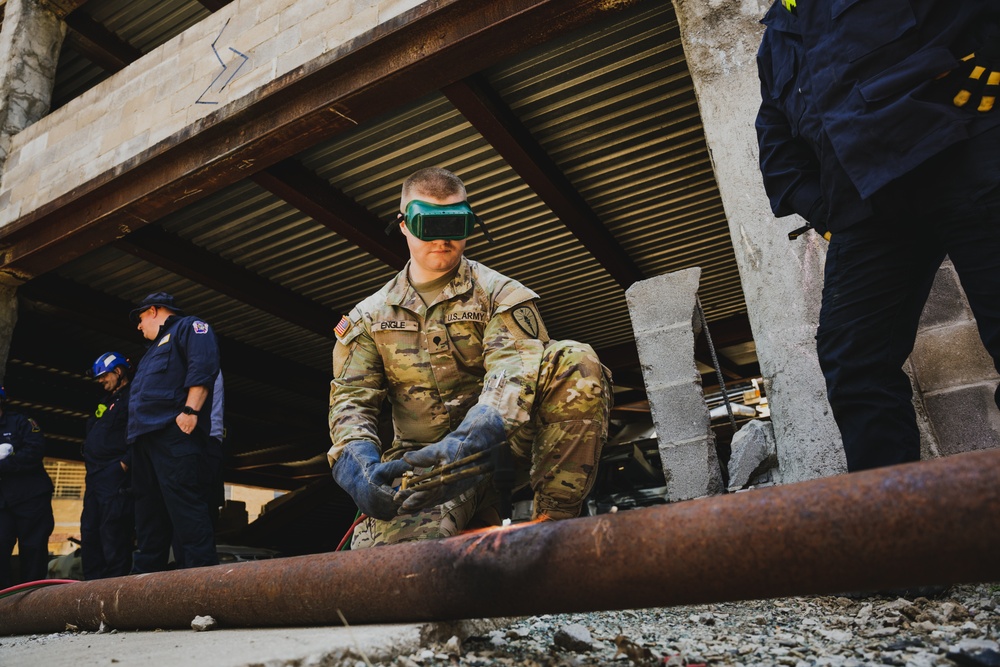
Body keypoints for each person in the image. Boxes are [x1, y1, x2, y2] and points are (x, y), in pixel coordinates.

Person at [755, 0, 1000, 471]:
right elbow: (777, 149)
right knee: (854, 361)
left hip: (965, 153)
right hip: (870, 204)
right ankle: (896, 521)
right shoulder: (777, 39)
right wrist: (834, 214)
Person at [328, 167, 612, 548]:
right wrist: (356, 463)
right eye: (430, 225)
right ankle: (468, 521)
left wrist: (473, 437)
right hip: (426, 466)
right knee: (403, 575)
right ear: (404, 226)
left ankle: (551, 532)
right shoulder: (368, 319)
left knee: (575, 359)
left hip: (505, 446)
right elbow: (351, 401)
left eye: (456, 224)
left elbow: (514, 376)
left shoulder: (500, 295)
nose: (444, 239)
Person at [127, 292, 220, 571]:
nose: (139, 326)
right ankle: (140, 596)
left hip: (172, 433)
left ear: (154, 310)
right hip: (144, 441)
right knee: (148, 518)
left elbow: (202, 365)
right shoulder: (149, 352)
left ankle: (202, 592)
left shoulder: (190, 327)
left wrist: (191, 411)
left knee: (187, 513)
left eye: (141, 318)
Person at [81, 352, 135, 579]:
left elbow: (141, 435)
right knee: (90, 531)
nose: (100, 380)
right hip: (95, 477)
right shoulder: (106, 402)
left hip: (114, 476)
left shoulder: (134, 397)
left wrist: (123, 465)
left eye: (103, 376)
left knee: (113, 532)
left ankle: (114, 590)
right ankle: (91, 587)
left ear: (119, 371)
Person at [0, 388, 53, 586]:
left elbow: (35, 451)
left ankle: (34, 605)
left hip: (31, 499)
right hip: (3, 504)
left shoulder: (22, 423)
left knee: (33, 550)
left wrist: (4, 464)